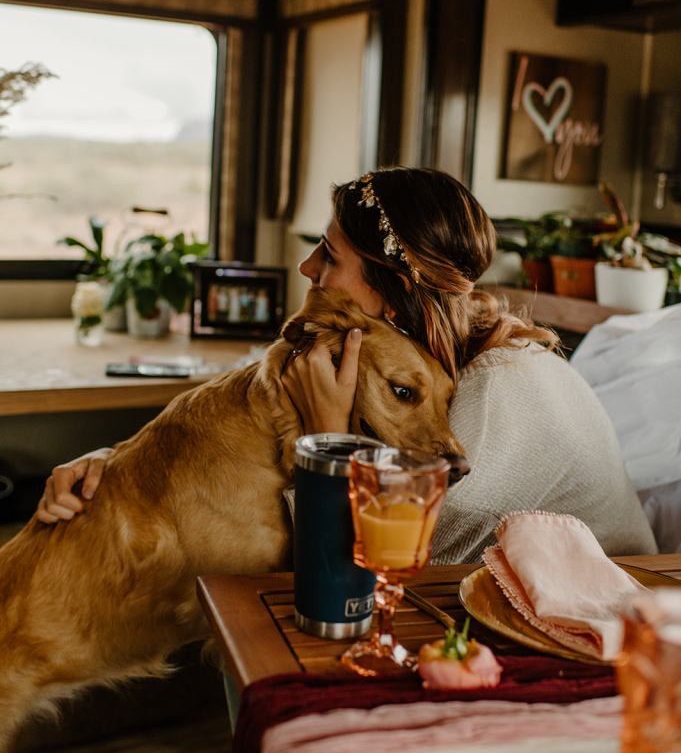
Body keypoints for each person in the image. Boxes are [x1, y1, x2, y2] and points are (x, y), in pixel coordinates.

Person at [35, 167, 656, 562]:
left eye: (328, 256)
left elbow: (361, 566)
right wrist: (114, 465)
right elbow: (234, 413)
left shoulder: (498, 389)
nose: (308, 269)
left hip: (606, 619)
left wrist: (321, 436)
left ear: (390, 293)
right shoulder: (393, 355)